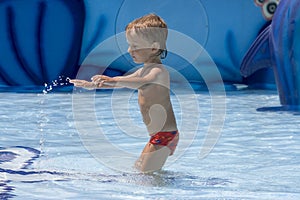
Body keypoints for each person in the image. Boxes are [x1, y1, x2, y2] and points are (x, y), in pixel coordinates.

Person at [70, 13, 179, 173]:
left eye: (135, 46)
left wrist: (113, 80)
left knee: (146, 176)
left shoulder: (158, 72)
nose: (129, 50)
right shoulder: (143, 70)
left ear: (154, 48)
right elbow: (124, 82)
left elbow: (141, 82)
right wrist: (92, 85)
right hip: (158, 136)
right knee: (139, 169)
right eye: (129, 45)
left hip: (165, 136)